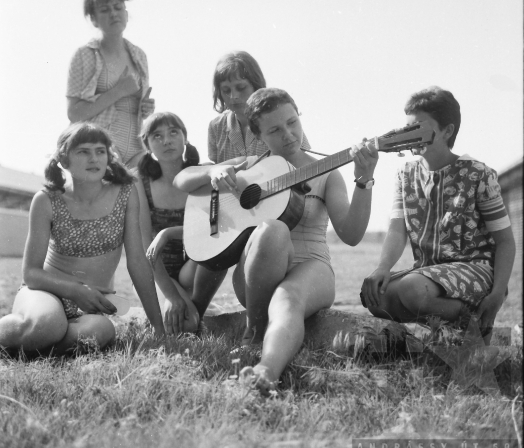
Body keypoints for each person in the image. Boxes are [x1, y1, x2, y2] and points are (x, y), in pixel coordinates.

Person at [175, 88, 378, 394]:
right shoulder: (250, 167)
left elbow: (351, 235)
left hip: (312, 268)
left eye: (292, 122)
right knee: (273, 229)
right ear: (258, 134)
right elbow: (182, 178)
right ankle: (255, 329)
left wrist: (364, 179)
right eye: (274, 130)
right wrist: (214, 171)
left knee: (287, 297)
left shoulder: (327, 175)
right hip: (256, 275)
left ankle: (265, 370)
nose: (288, 134)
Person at [361, 86, 515, 343]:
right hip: (429, 274)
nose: (409, 135)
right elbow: (397, 231)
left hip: (476, 270)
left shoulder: (478, 174)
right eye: (406, 128)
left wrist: (498, 293)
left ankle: (476, 327)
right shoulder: (405, 175)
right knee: (375, 297)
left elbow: (505, 241)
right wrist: (382, 268)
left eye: (418, 127)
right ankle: (448, 333)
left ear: (447, 130)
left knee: (411, 289)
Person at [0, 123, 165, 355]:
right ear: (64, 160)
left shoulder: (126, 192)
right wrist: (76, 291)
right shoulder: (46, 199)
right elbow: (31, 273)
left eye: (100, 151)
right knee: (46, 324)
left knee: (100, 331)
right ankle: (33, 331)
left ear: (108, 157)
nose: (94, 158)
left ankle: (38, 345)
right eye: (83, 151)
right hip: (46, 293)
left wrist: (158, 327)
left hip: (92, 306)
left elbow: (137, 261)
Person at [190, 51, 314, 317]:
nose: (233, 96)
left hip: (275, 217)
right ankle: (195, 316)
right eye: (226, 90)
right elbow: (213, 171)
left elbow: (305, 168)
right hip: (234, 213)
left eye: (240, 88)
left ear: (257, 85)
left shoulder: (280, 122)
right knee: (208, 257)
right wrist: (217, 171)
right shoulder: (216, 127)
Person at [66, 0, 155, 168]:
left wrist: (145, 108)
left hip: (136, 147)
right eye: (105, 10)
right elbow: (73, 113)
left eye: (117, 7)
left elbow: (134, 107)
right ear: (93, 19)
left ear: (126, 12)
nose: (113, 14)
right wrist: (117, 91)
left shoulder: (139, 55)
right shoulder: (85, 54)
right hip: (98, 149)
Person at [136, 112, 201, 336]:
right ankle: (183, 304)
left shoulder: (201, 175)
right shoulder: (141, 182)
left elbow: (211, 229)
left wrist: (168, 233)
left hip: (196, 267)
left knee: (191, 322)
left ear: (185, 137)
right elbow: (146, 241)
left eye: (173, 132)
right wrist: (171, 296)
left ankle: (199, 305)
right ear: (147, 145)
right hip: (160, 270)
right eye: (157, 136)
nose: (167, 140)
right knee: (187, 325)